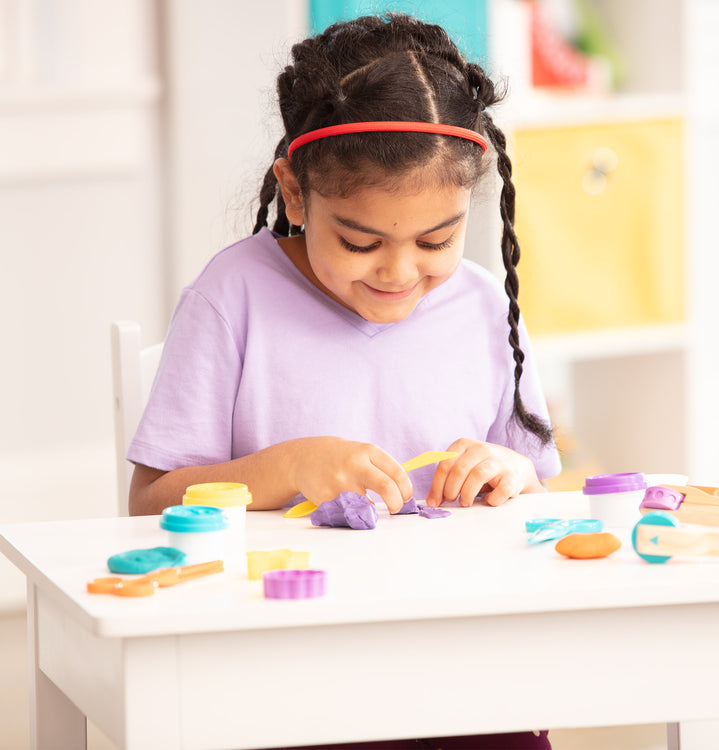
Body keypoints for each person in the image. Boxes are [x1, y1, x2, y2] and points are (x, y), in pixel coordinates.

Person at [128, 13, 559, 748]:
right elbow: (148, 506)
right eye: (360, 241)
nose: (397, 273)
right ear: (296, 196)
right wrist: (289, 466)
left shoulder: (485, 307)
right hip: (276, 675)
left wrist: (511, 471)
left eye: (436, 240)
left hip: (461, 666)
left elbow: (542, 499)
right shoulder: (232, 297)